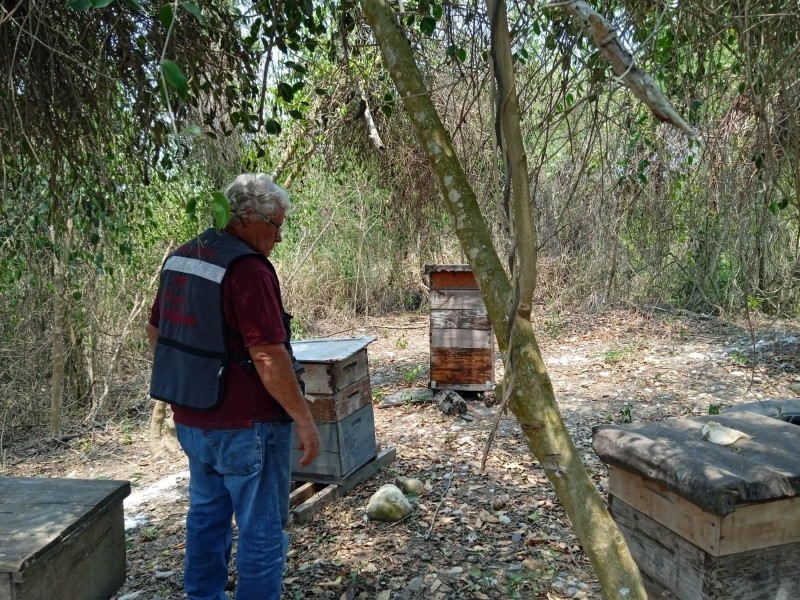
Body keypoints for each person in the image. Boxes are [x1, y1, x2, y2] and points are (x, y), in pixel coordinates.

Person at [146, 173, 320, 600]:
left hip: (192, 420)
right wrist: (305, 420)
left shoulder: (182, 258)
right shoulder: (248, 270)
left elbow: (156, 334)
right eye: (276, 226)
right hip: (248, 426)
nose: (279, 237)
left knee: (206, 517)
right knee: (262, 530)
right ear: (248, 219)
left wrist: (195, 381)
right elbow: (268, 356)